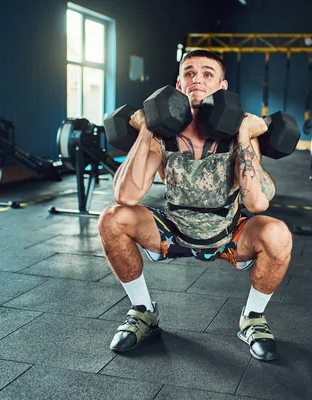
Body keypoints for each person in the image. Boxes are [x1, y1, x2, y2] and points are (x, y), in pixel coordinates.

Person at [98, 49, 292, 362]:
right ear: (178, 83)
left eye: (206, 73)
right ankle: (143, 312)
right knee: (112, 218)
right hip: (171, 232)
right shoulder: (161, 133)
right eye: (189, 73)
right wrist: (146, 127)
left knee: (278, 234)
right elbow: (126, 197)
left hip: (229, 236)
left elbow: (256, 202)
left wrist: (243, 133)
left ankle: (253, 319)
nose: (197, 79)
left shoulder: (241, 131)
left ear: (222, 86)